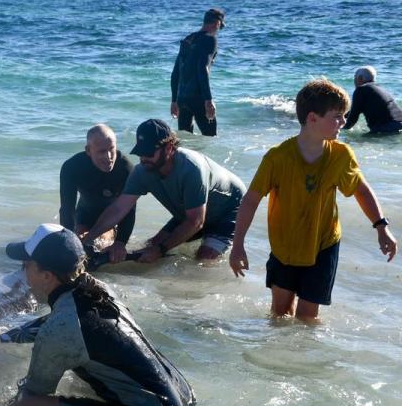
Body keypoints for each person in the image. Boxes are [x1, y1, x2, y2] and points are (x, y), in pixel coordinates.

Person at [0, 224, 194, 406]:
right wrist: (1, 336)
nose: (24, 273)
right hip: (181, 394)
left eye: (26, 265)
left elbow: (32, 392)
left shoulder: (60, 332)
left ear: (47, 276)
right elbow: (60, 323)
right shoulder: (96, 289)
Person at [230, 78, 397, 321]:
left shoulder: (341, 155)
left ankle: (307, 356)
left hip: (324, 244)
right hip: (284, 246)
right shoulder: (277, 158)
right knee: (280, 314)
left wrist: (382, 227)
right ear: (312, 119)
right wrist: (237, 246)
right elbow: (251, 200)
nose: (343, 122)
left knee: (307, 318)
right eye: (337, 116)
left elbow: (361, 189)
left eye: (344, 115)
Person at [83, 119, 245, 263]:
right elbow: (118, 209)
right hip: (189, 211)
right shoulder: (142, 171)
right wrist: (88, 240)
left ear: (169, 148)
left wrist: (161, 249)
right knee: (149, 247)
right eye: (140, 153)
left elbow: (196, 222)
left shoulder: (191, 169)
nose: (143, 158)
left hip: (229, 209)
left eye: (149, 152)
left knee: (203, 259)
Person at [58, 124, 134, 264]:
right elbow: (67, 209)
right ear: (88, 150)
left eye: (112, 149)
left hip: (112, 220)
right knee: (79, 244)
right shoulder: (72, 167)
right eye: (101, 151)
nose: (109, 157)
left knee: (101, 243)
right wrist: (68, 242)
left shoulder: (126, 169)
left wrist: (120, 242)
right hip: (84, 214)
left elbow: (129, 211)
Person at [170, 8, 225, 136]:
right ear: (217, 23)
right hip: (198, 98)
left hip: (182, 98)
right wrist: (208, 100)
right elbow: (203, 68)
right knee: (211, 138)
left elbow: (176, 72)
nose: (219, 29)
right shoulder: (210, 39)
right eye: (220, 26)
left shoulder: (188, 39)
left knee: (185, 140)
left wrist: (174, 100)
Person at [343, 66, 402, 135]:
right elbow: (355, 110)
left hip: (388, 128)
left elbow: (352, 119)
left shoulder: (361, 90)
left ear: (360, 78)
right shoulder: (378, 88)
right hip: (398, 124)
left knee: (360, 141)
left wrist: (340, 131)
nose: (354, 80)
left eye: (354, 77)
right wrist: (341, 116)